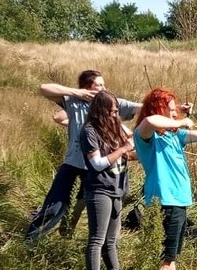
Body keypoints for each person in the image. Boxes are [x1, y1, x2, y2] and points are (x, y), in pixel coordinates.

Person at [26, 70, 140, 241]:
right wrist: (77, 93)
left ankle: (68, 231)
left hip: (95, 166)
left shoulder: (110, 102)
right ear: (87, 87)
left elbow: (143, 106)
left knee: (82, 203)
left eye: (103, 84)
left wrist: (178, 108)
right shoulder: (73, 102)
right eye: (99, 85)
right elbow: (44, 88)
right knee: (55, 204)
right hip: (73, 162)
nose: (104, 88)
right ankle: (32, 239)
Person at [133, 88, 197, 270]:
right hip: (165, 201)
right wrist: (181, 122)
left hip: (178, 201)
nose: (174, 114)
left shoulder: (173, 135)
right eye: (169, 110)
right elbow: (149, 121)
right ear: (158, 109)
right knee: (164, 258)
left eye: (175, 110)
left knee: (172, 256)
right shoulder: (147, 137)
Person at [79, 91, 136, 270]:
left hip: (116, 189)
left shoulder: (115, 127)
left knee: (112, 239)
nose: (115, 115)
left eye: (116, 112)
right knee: (97, 239)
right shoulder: (89, 131)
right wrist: (123, 149)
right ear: (101, 111)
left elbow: (132, 143)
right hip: (99, 189)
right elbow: (97, 163)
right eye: (111, 112)